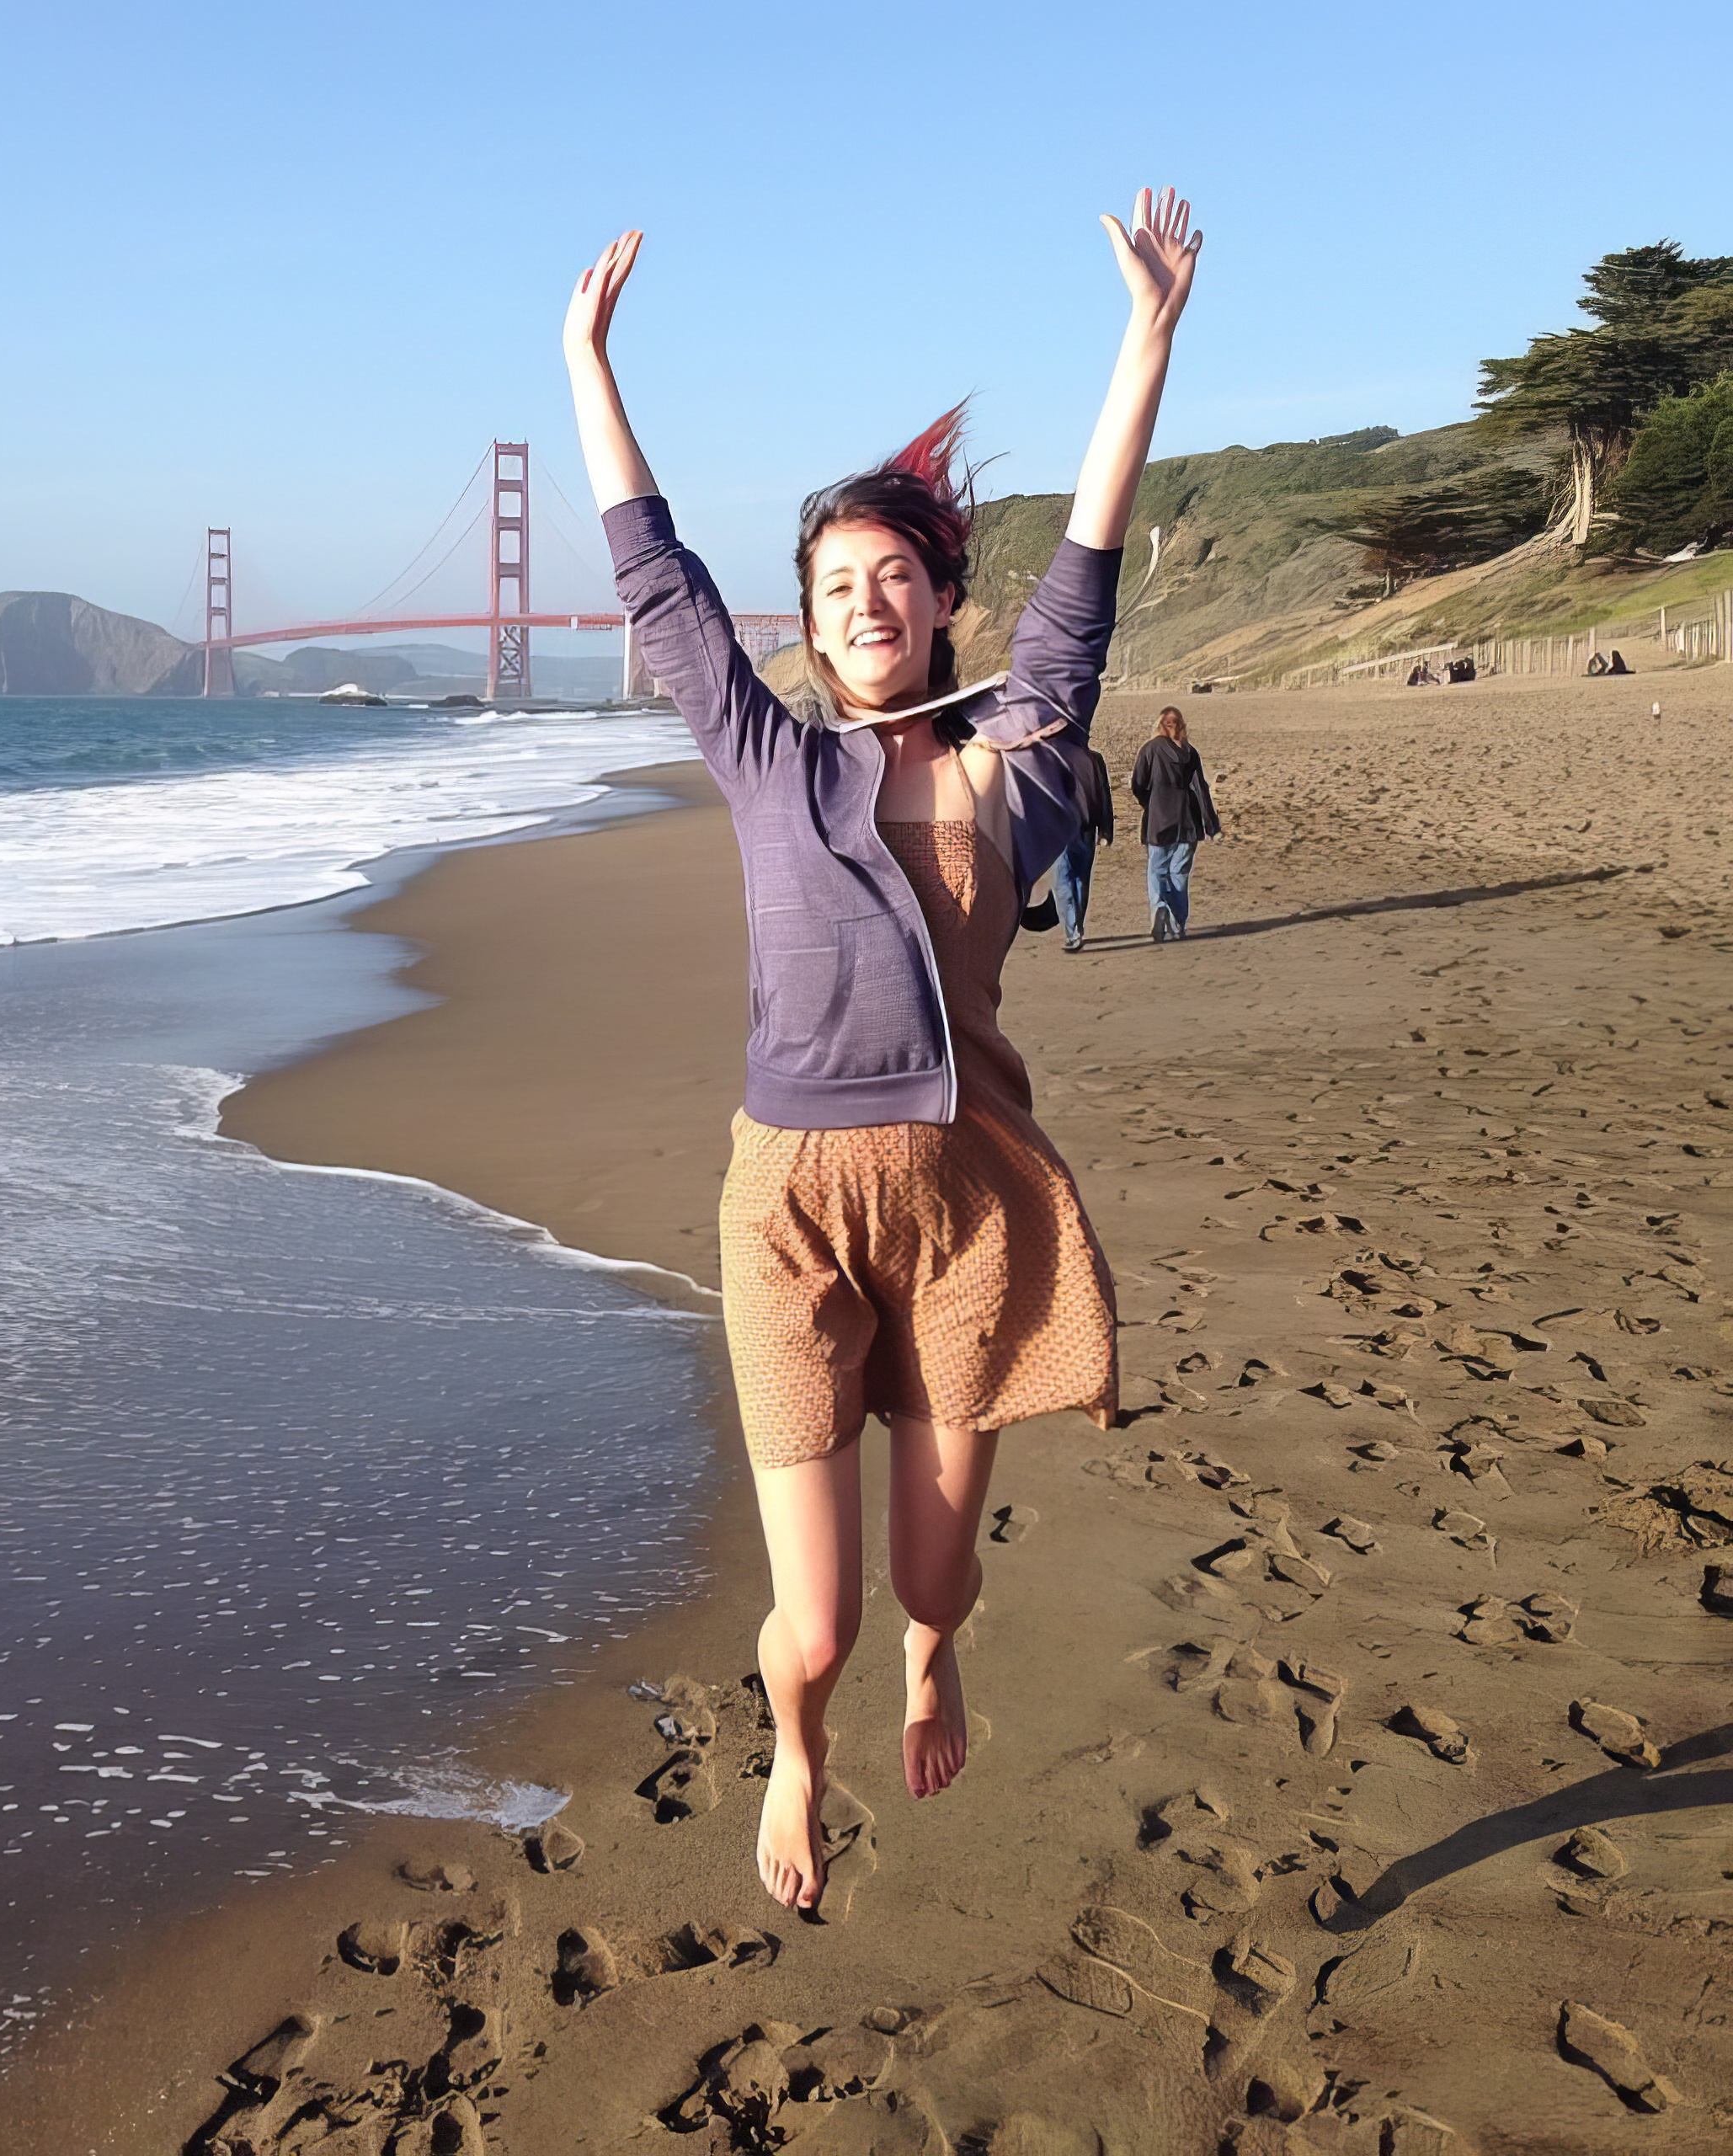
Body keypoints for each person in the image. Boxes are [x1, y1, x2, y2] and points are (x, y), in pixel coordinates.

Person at [563, 188, 1202, 1912]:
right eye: (834, 582)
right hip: (785, 1204)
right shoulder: (769, 758)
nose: (863, 600)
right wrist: (584, 364)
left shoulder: (1024, 762)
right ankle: (798, 1741)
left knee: (929, 1585)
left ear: (936, 604)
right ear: (811, 613)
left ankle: (934, 1663)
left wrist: (1146, 338)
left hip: (959, 1203)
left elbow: (1084, 567)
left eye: (892, 576)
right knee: (818, 1618)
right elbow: (654, 571)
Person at [1129, 706, 1220, 941]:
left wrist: (1150, 804)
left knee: (1158, 871)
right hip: (1188, 821)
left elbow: (1137, 784)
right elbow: (1201, 790)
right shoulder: (1190, 753)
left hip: (1159, 821)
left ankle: (1159, 906)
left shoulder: (1150, 749)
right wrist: (1213, 827)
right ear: (1182, 727)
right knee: (1179, 874)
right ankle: (1178, 924)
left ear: (1159, 726)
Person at [1052, 739, 1115, 952]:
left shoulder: (1095, 760)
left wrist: (1106, 830)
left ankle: (1076, 925)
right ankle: (1073, 931)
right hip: (1062, 828)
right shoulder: (1052, 759)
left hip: (1087, 828)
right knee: (1063, 878)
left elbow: (1104, 796)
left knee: (1081, 879)